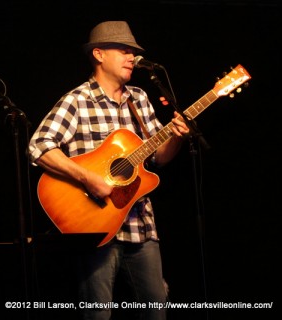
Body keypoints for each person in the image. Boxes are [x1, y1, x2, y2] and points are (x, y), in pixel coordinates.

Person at [28, 21, 190, 320]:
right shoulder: (77, 100)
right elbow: (39, 146)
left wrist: (177, 137)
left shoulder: (139, 99)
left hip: (141, 225)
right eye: (125, 51)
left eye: (134, 53)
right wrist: (87, 178)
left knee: (156, 310)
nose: (132, 58)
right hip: (95, 224)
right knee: (98, 313)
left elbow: (159, 158)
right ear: (99, 54)